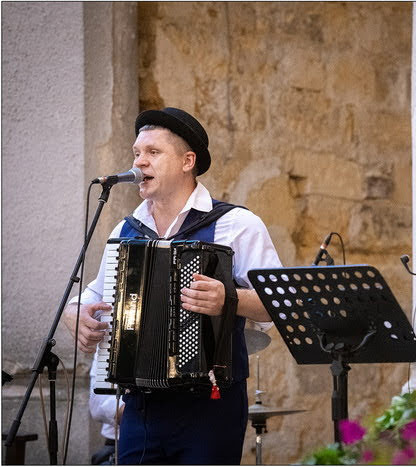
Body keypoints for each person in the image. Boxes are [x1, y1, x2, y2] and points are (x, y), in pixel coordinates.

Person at [62, 107, 282, 463]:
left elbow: (276, 303)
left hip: (210, 407)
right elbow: (93, 295)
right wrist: (75, 314)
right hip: (140, 405)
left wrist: (228, 298)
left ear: (187, 161)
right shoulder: (126, 231)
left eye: (153, 152)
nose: (140, 162)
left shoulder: (237, 224)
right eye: (136, 153)